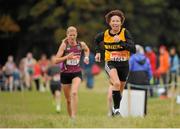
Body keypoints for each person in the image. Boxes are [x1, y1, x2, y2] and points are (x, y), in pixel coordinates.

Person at [95, 10, 136, 116]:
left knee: (120, 90)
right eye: (113, 21)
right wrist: (98, 52)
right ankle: (117, 111)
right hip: (110, 63)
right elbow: (96, 40)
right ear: (109, 22)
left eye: (117, 21)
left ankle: (114, 110)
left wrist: (121, 42)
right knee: (116, 83)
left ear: (121, 23)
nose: (115, 23)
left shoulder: (125, 33)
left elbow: (133, 49)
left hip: (124, 65)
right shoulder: (104, 34)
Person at [54, 26, 90, 119]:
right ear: (67, 35)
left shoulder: (80, 44)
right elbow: (55, 60)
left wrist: (86, 57)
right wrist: (66, 57)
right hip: (65, 74)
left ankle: (74, 116)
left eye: (74, 35)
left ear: (76, 34)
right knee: (68, 100)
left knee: (74, 92)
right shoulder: (64, 45)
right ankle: (71, 119)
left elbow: (87, 50)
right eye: (70, 35)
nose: (72, 37)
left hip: (76, 72)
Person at [128, 45, 152, 115]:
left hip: (134, 80)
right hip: (144, 79)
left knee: (134, 96)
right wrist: (148, 80)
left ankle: (135, 112)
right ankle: (144, 112)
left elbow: (128, 70)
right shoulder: (146, 59)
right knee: (144, 96)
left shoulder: (132, 59)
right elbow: (150, 72)